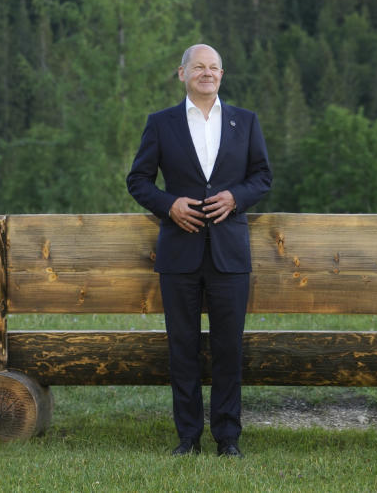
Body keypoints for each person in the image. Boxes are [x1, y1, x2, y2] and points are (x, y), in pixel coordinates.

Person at [126, 44, 272, 457]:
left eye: (214, 68)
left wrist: (236, 198)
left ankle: (228, 438)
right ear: (182, 73)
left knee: (229, 348)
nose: (207, 73)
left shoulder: (245, 122)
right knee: (182, 347)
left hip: (230, 253)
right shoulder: (161, 124)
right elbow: (138, 181)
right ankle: (187, 437)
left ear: (222, 76)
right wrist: (168, 205)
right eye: (198, 67)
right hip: (179, 252)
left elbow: (262, 177)